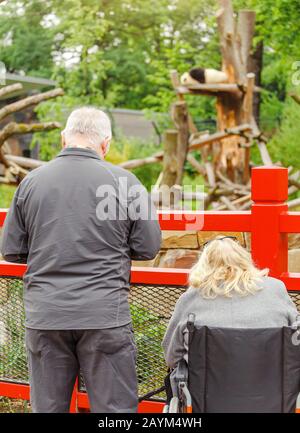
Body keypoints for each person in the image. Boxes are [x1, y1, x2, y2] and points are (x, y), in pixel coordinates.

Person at [1, 107, 161, 413]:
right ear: (106, 143)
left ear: (64, 138)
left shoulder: (31, 182)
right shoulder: (125, 182)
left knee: (47, 408)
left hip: (46, 313)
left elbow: (11, 250)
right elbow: (148, 247)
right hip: (104, 313)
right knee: (115, 412)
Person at [162, 236, 299, 369]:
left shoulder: (190, 298)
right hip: (274, 388)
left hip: (205, 391)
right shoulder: (275, 288)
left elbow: (172, 357)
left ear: (204, 265)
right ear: (245, 259)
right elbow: (296, 340)